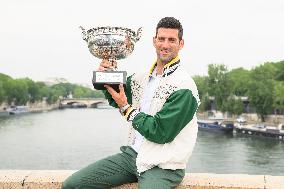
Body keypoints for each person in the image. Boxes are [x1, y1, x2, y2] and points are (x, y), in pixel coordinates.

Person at [62, 16, 200, 189]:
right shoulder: (141, 78)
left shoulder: (185, 87)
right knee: (72, 185)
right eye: (161, 39)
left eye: (171, 40)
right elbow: (116, 99)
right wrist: (107, 75)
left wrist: (127, 109)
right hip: (132, 156)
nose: (165, 45)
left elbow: (160, 132)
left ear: (181, 44)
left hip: (164, 166)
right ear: (154, 41)